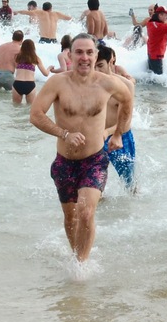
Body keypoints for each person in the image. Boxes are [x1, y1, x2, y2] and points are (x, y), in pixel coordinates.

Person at [30, 35, 133, 259]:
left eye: (89, 52)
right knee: (71, 217)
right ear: (70, 55)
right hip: (64, 161)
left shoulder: (108, 83)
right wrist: (63, 134)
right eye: (79, 52)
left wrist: (118, 134)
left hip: (94, 159)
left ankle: (81, 265)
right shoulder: (58, 83)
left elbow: (128, 99)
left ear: (96, 55)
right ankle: (77, 254)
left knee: (86, 213)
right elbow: (36, 115)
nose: (84, 57)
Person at [93, 46, 136, 193]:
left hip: (121, 137)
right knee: (94, 184)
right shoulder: (90, 85)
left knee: (128, 183)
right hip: (96, 137)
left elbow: (127, 120)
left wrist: (109, 132)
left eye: (100, 66)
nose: (96, 71)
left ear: (110, 62)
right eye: (93, 66)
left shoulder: (126, 85)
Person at [131, 5, 167, 74]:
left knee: (152, 74)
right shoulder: (160, 27)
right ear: (159, 15)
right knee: (158, 77)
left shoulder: (150, 22)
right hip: (157, 55)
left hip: (151, 53)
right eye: (165, 15)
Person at [12, 38, 47, 106]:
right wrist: (49, 68)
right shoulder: (35, 58)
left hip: (18, 83)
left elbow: (15, 67)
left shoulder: (17, 57)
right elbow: (45, 73)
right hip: (30, 84)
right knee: (30, 109)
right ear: (33, 48)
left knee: (15, 108)